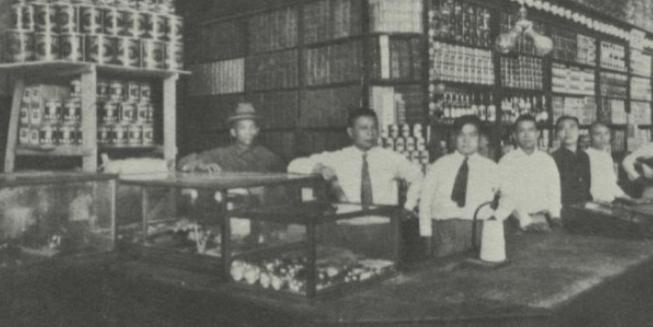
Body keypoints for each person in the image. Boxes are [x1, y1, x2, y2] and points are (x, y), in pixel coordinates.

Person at [288, 108, 422, 212]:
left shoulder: (391, 158)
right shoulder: (339, 157)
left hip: (385, 226)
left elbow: (418, 177)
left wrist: (408, 208)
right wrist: (320, 168)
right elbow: (293, 165)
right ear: (351, 132)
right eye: (363, 128)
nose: (370, 133)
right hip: (348, 225)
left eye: (374, 128)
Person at [418, 116, 506, 257]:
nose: (466, 140)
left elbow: (509, 197)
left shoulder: (491, 168)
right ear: (454, 137)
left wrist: (496, 218)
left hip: (479, 232)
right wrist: (426, 235)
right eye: (461, 135)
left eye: (472, 135)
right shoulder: (439, 165)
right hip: (445, 235)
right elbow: (425, 202)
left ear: (479, 138)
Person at [177, 102, 284, 173]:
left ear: (257, 131)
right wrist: (200, 166)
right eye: (242, 128)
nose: (248, 132)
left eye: (252, 127)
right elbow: (182, 163)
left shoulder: (268, 156)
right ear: (233, 132)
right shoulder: (221, 154)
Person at [498, 114, 561, 232]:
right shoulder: (506, 161)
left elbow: (554, 193)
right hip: (515, 221)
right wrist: (526, 221)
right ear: (515, 135)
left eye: (531, 130)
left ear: (537, 134)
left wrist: (555, 218)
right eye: (521, 131)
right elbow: (508, 197)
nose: (527, 135)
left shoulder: (547, 160)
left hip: (542, 219)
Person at [551, 115, 592, 207]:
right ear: (557, 134)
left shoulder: (584, 157)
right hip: (563, 209)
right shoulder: (553, 159)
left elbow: (587, 189)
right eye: (562, 128)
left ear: (579, 131)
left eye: (572, 127)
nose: (567, 132)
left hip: (585, 208)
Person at [588, 122, 633, 204]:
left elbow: (612, 184)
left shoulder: (607, 156)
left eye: (606, 134)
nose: (603, 138)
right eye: (598, 134)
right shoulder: (586, 156)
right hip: (594, 204)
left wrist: (631, 199)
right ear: (590, 136)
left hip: (609, 202)